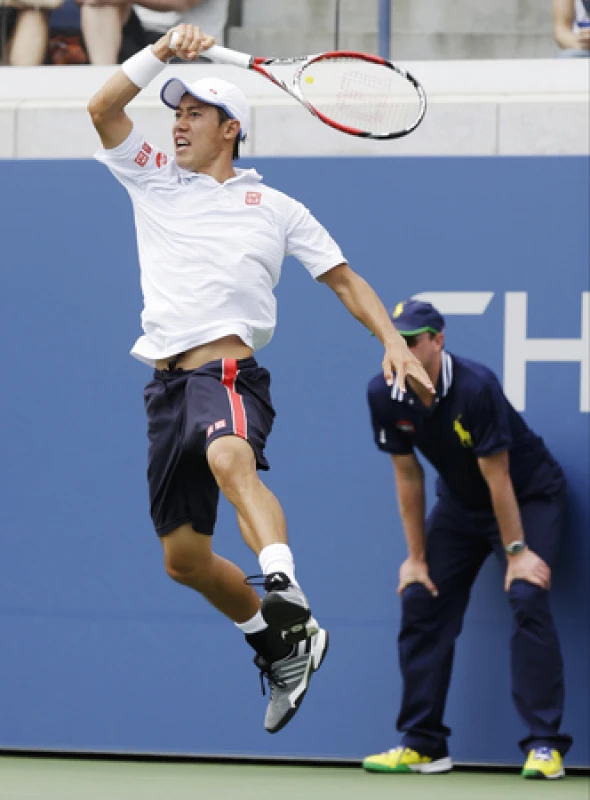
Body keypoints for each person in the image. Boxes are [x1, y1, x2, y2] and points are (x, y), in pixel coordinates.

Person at [87, 25, 435, 734]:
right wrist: (160, 53)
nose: (177, 123)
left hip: (228, 373)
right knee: (184, 561)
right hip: (165, 389)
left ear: (230, 129)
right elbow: (101, 107)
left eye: (193, 113)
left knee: (227, 456)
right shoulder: (153, 174)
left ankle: (285, 587)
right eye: (174, 112)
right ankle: (279, 642)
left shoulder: (278, 209)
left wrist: (392, 339)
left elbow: (344, 281)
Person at [362, 299, 572, 779]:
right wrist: (416, 558)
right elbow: (408, 476)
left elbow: (498, 477)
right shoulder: (383, 393)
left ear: (438, 341)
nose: (404, 349)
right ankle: (423, 743)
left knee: (526, 592)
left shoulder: (476, 386)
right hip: (459, 506)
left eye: (413, 340)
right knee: (421, 595)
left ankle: (544, 746)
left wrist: (517, 554)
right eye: (396, 340)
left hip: (528, 495)